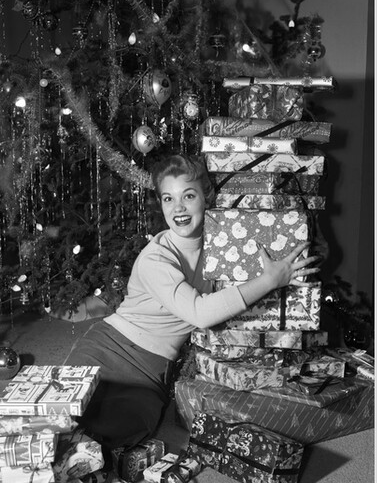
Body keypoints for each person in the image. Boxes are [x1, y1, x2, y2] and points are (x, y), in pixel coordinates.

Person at [63, 153, 320, 453]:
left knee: (128, 429)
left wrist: (290, 273)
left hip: (151, 370)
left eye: (188, 195)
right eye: (168, 199)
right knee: (65, 415)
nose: (178, 208)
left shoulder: (225, 243)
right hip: (107, 349)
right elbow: (200, 313)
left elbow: (255, 271)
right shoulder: (155, 258)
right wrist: (269, 280)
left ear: (205, 198)